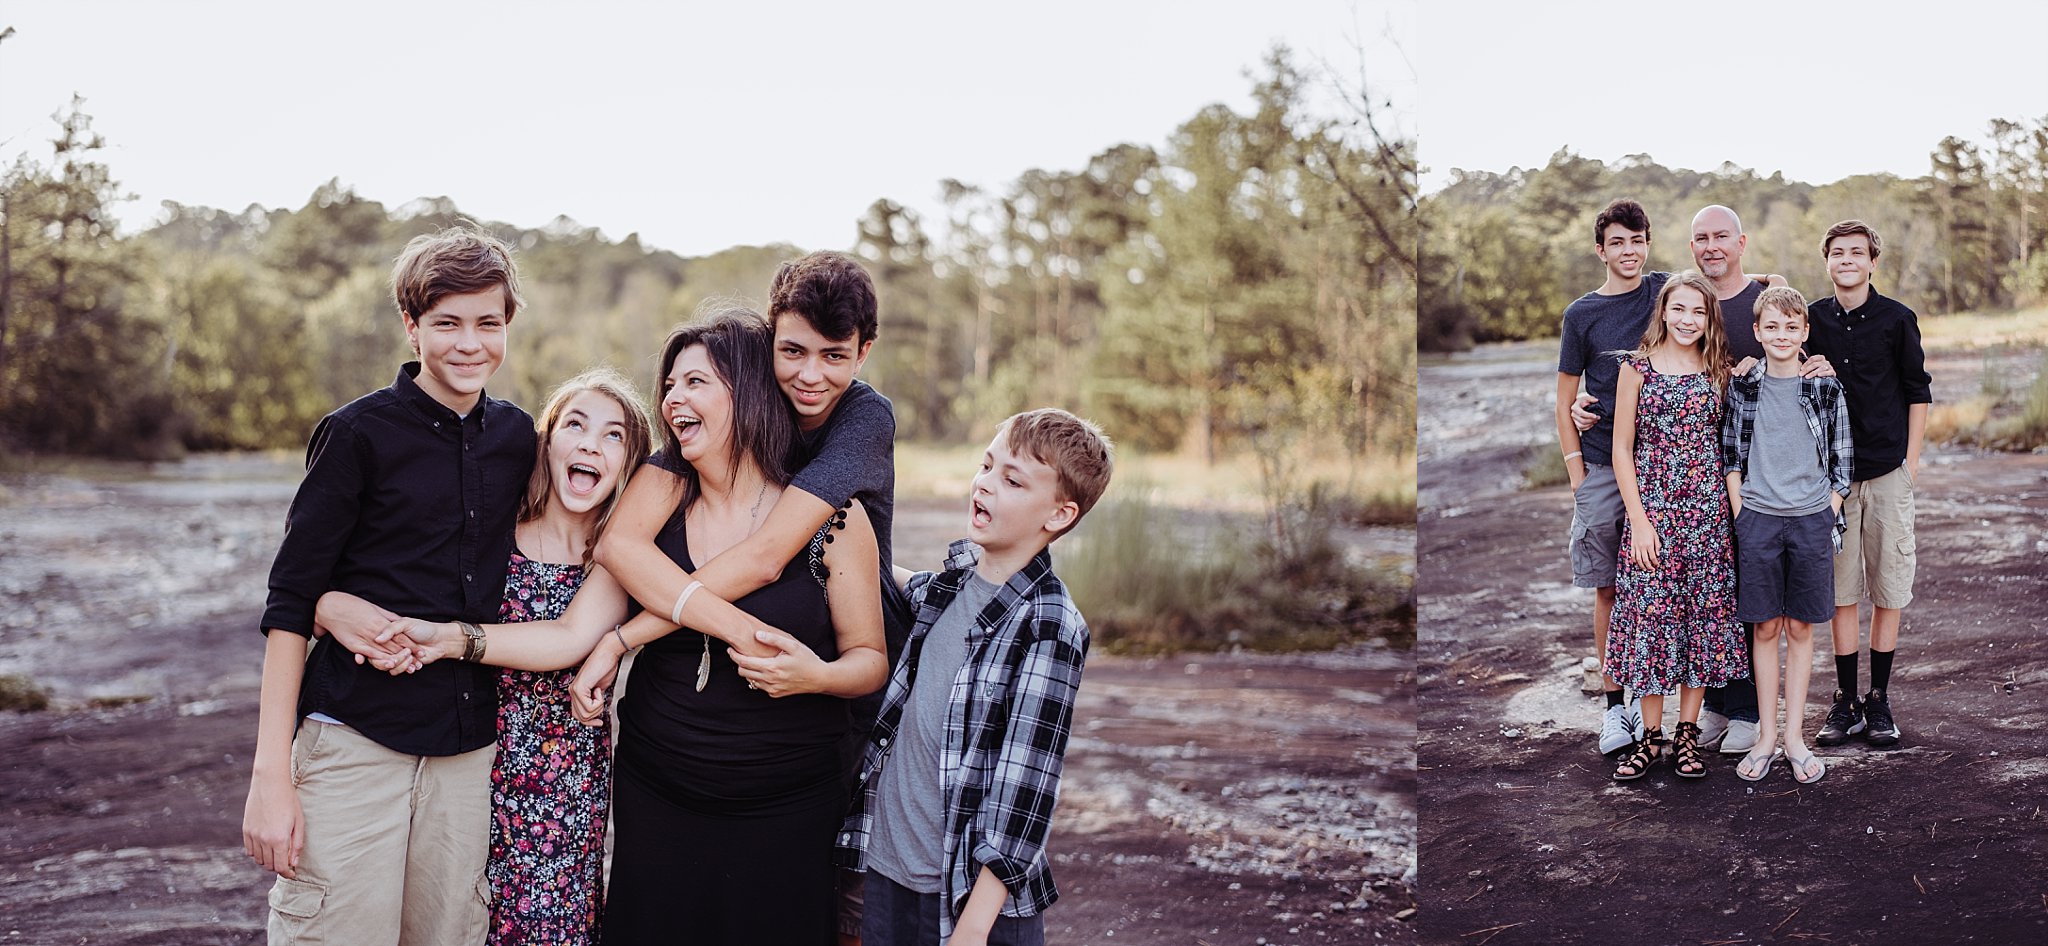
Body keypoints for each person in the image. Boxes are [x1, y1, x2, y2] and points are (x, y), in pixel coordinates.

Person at [592, 251, 904, 942]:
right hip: (660, 780)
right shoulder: (681, 459)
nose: (809, 375)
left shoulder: (859, 426)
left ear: (863, 352)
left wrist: (625, 637)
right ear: (767, 350)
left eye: (834, 355)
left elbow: (767, 558)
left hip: (808, 754)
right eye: (791, 351)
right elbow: (618, 545)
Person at [241, 227, 534, 946]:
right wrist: (269, 777)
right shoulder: (356, 434)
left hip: (466, 752)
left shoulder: (520, 439)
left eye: (487, 323)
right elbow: (288, 603)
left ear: (507, 326)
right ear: (412, 326)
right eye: (447, 324)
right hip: (353, 740)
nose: (470, 343)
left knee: (450, 934)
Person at [313, 368, 654, 945]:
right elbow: (392, 567)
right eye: (575, 424)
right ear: (545, 443)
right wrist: (330, 605)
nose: (592, 443)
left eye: (614, 435)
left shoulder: (616, 553)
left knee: (546, 928)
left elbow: (569, 637)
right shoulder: (496, 528)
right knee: (446, 919)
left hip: (560, 779)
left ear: (628, 463)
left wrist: (454, 638)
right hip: (465, 754)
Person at [838, 408, 1114, 946]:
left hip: (964, 902)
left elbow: (1023, 797)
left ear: (1059, 514)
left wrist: (972, 929)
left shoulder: (1049, 624)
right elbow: (894, 583)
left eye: (1011, 480)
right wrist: (834, 535)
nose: (984, 485)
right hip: (888, 872)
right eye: (987, 466)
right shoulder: (952, 585)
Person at [1605, 271, 1748, 781]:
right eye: (1679, 309)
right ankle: (1651, 737)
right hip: (1654, 514)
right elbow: (1622, 449)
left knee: (1701, 624)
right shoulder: (1636, 369)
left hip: (1707, 516)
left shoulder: (1718, 370)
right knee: (1651, 621)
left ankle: (1688, 735)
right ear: (1663, 311)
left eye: (1698, 312)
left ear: (1710, 319)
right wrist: (1639, 522)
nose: (1688, 321)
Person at [1803, 220, 1931, 750]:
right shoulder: (1809, 319)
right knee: (1839, 593)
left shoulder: (1898, 319)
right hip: (1830, 480)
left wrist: (1911, 464)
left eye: (1857, 252)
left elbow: (1917, 393)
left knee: (1888, 588)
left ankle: (1879, 699)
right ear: (1827, 260)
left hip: (1886, 472)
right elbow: (1781, 362)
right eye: (1838, 252)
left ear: (1872, 261)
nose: (1847, 260)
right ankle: (1845, 700)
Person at [1721, 288, 1852, 784]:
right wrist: (1741, 511)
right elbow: (1731, 452)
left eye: (1791, 328)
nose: (1781, 336)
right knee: (1765, 629)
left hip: (1810, 519)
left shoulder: (1824, 387)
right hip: (1758, 518)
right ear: (1756, 332)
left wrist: (1827, 511)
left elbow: (1843, 460)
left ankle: (1795, 738)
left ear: (1804, 333)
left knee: (1800, 629)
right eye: (1771, 327)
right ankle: (1766, 737)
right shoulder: (1745, 386)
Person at [1557, 199, 1669, 757]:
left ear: (1648, 243)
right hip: (1603, 464)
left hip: (1666, 469)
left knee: (1665, 583)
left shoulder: (1667, 292)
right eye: (1618, 243)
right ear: (1601, 250)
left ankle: (1675, 703)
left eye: (1637, 240)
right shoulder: (1582, 315)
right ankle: (1615, 707)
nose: (1629, 252)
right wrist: (1578, 474)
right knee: (1609, 587)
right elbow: (1563, 401)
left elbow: (1747, 289)